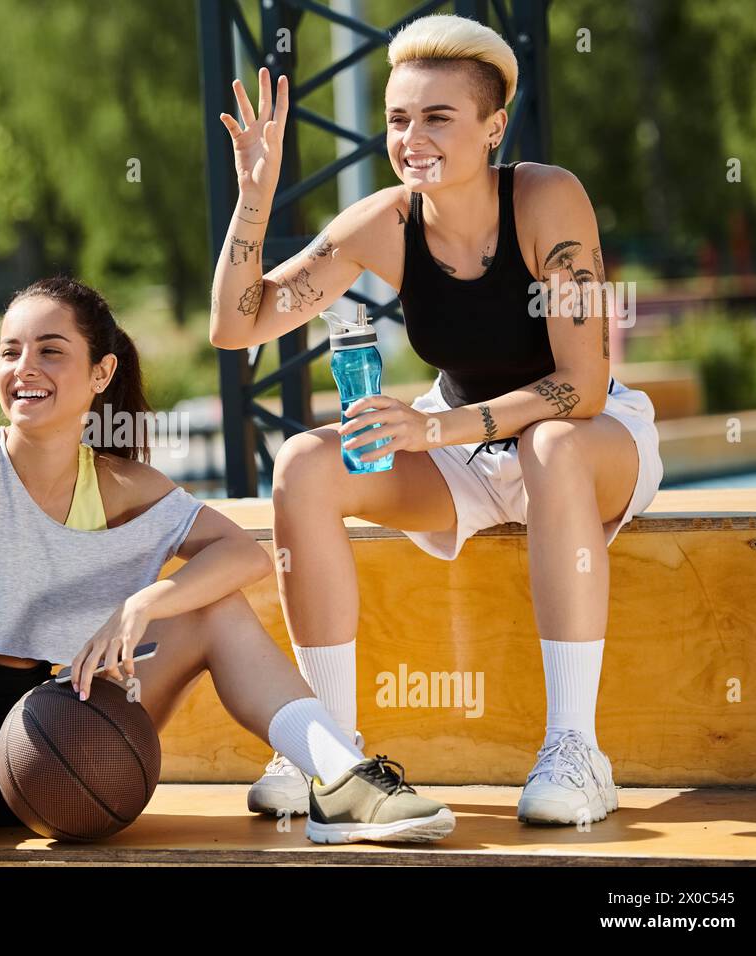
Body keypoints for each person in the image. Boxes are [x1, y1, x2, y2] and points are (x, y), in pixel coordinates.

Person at [0, 267, 456, 864]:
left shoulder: (125, 489)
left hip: (65, 742)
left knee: (209, 606)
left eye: (50, 350)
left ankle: (340, 778)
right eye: (10, 351)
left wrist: (144, 606)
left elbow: (243, 554)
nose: (24, 368)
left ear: (100, 373)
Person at [209, 13, 662, 826]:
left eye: (437, 117)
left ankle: (576, 752)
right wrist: (254, 201)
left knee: (551, 444)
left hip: (585, 444)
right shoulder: (383, 223)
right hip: (464, 448)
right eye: (397, 118)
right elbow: (237, 326)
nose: (411, 137)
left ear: (493, 127)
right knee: (305, 466)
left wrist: (434, 433)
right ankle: (332, 754)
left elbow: (583, 386)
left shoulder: (548, 197)